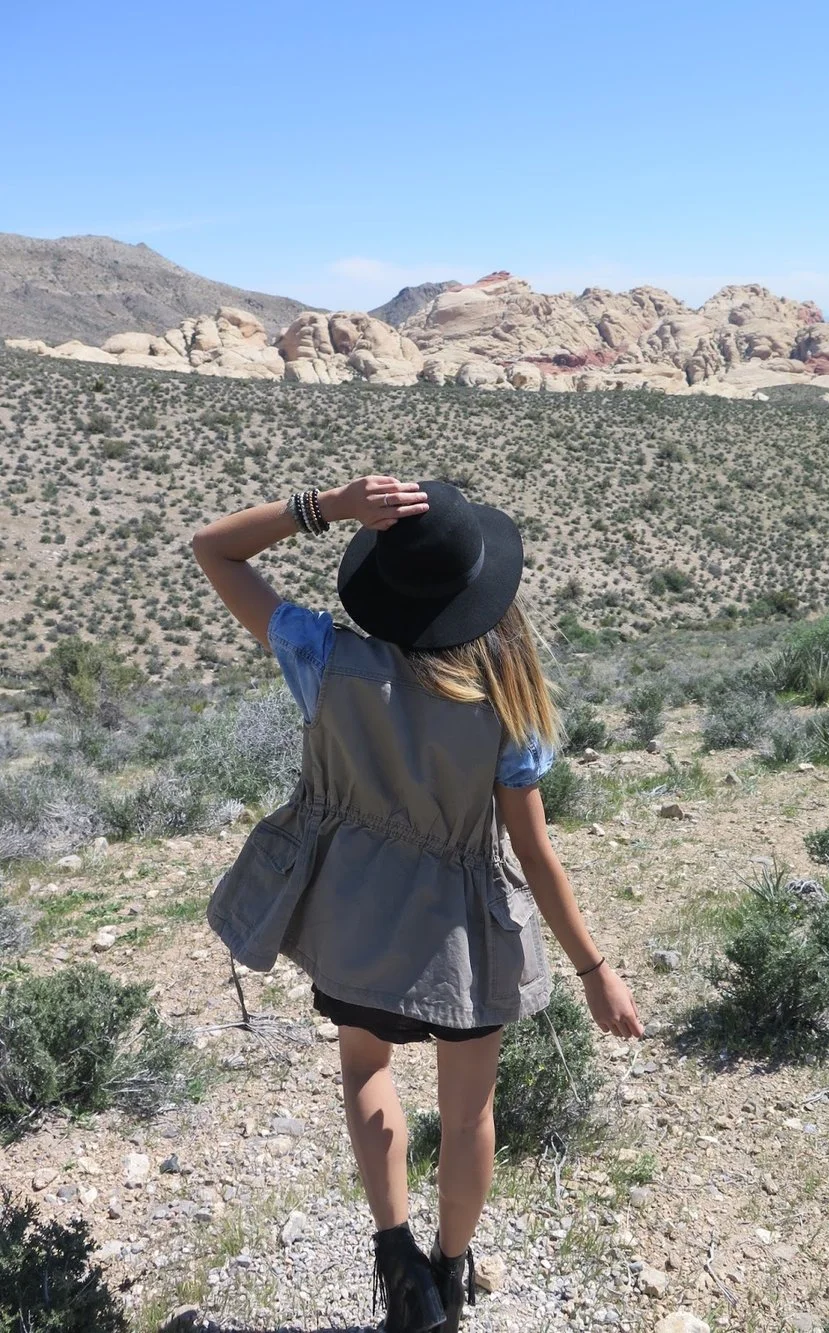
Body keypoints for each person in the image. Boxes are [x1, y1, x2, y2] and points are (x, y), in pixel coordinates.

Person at [192, 475, 643, 1333]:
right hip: (467, 932)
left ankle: (396, 1257)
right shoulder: (505, 695)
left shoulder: (325, 657)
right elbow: (536, 852)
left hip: (352, 918)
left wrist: (322, 507)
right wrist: (594, 968)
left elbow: (213, 547)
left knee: (366, 1069)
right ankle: (449, 1267)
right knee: (472, 1107)